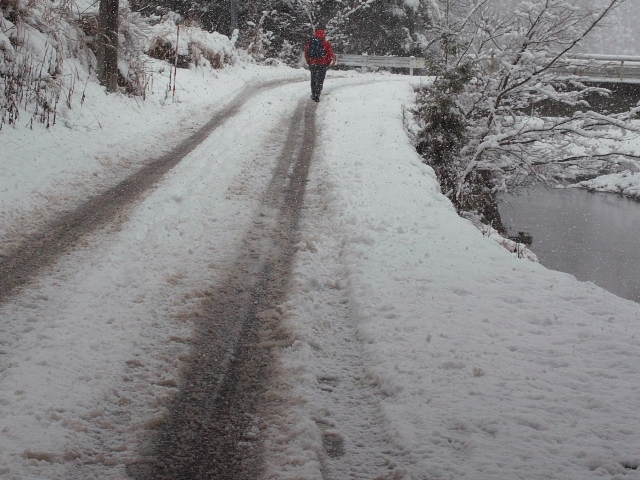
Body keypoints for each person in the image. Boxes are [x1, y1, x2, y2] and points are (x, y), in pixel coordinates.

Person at [304, 29, 336, 102]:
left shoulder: (310, 42)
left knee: (313, 79)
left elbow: (306, 53)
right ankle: (317, 94)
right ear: (324, 35)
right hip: (322, 64)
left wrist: (309, 62)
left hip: (313, 63)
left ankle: (313, 93)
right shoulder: (326, 43)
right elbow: (330, 54)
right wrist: (327, 63)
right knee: (320, 80)